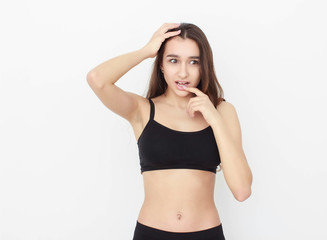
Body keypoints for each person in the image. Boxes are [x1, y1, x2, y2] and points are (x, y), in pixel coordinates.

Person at [87, 22, 253, 240]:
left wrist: (214, 118)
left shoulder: (222, 111)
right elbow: (97, 80)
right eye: (173, 60)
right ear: (161, 65)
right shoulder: (142, 110)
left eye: (193, 62)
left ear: (204, 66)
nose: (183, 72)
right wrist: (145, 51)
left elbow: (242, 191)